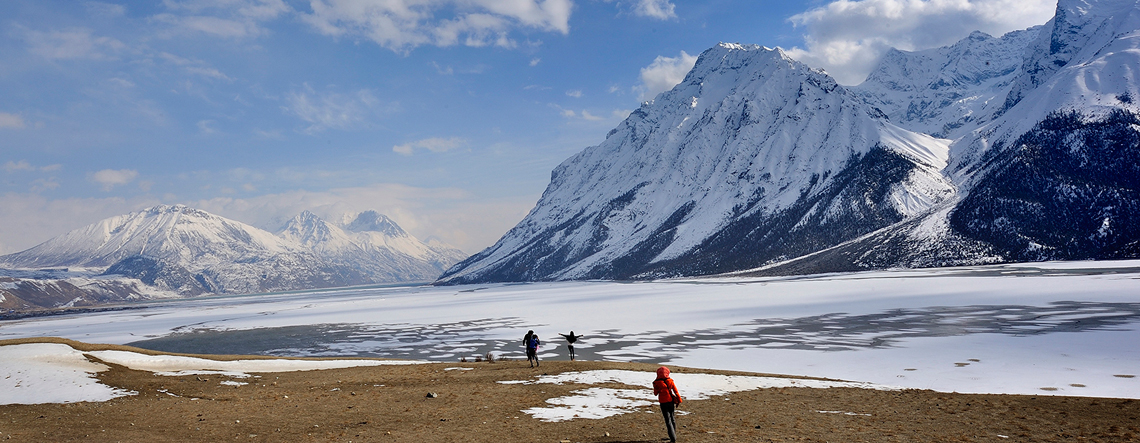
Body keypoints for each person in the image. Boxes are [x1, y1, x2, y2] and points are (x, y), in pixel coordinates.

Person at [653, 366, 682, 443]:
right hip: (670, 401)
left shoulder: (657, 383)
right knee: (672, 418)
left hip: (663, 402)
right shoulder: (670, 381)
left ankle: (672, 438)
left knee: (668, 420)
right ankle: (673, 435)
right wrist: (679, 400)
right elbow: (676, 391)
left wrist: (656, 387)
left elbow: (655, 393)